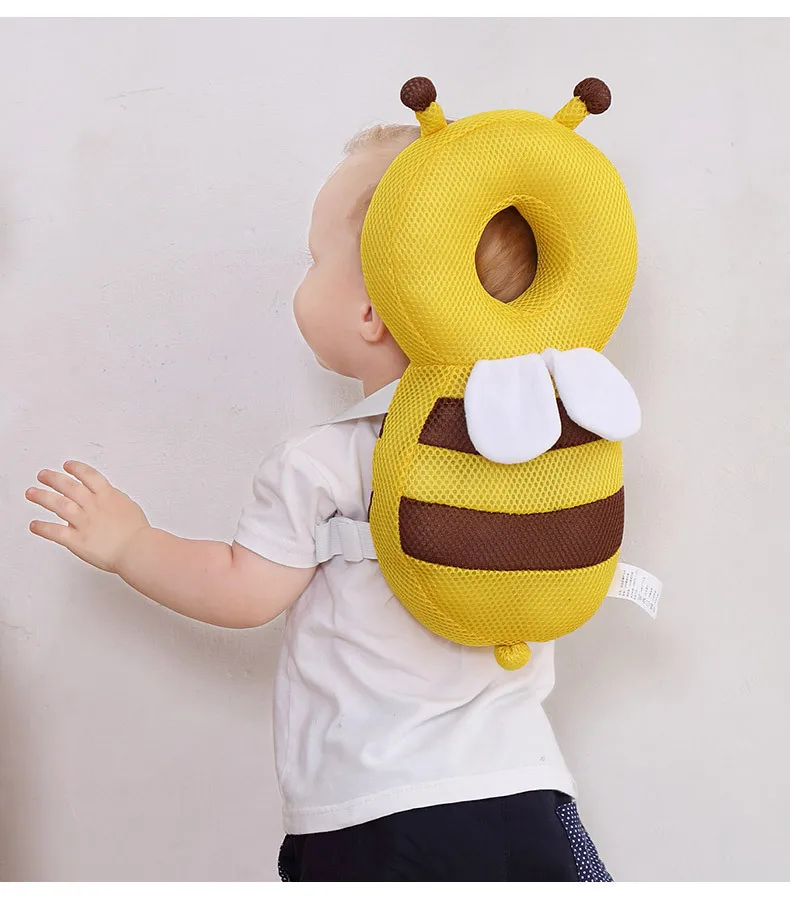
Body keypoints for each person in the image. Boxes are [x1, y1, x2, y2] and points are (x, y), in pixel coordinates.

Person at [26, 122, 612, 882]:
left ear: (371, 312)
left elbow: (243, 592)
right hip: (533, 797)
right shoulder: (544, 452)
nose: (303, 276)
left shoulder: (327, 460)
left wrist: (131, 544)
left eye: (314, 259)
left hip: (380, 814)